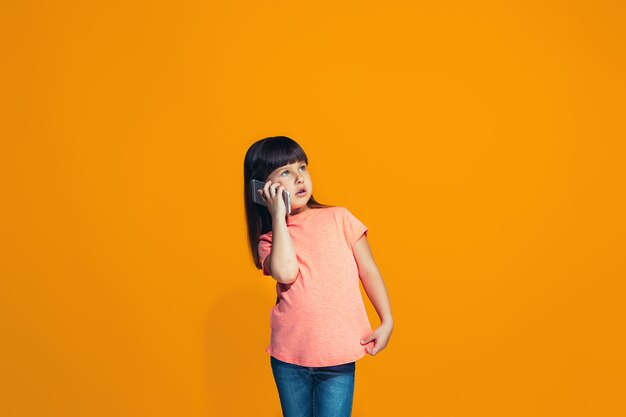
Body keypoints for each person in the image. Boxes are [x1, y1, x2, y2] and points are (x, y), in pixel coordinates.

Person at [243, 136, 394, 417]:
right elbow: (287, 272)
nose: (299, 178)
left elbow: (368, 269)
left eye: (302, 167)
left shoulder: (340, 218)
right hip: (289, 357)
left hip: (337, 354)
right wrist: (278, 215)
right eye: (286, 172)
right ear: (263, 189)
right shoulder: (270, 240)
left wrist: (387, 320)